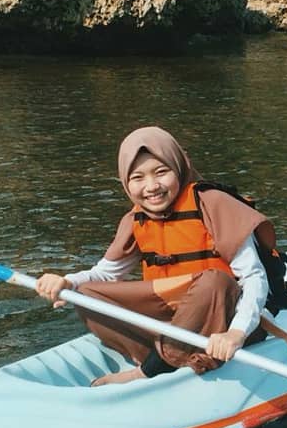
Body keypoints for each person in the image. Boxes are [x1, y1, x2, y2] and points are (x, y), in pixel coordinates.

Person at [35, 126, 272, 386]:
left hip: (223, 321)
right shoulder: (135, 219)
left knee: (215, 281)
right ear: (126, 182)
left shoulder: (212, 204)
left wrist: (236, 333)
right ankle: (167, 356)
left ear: (179, 167)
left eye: (161, 172)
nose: (151, 187)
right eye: (138, 177)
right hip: (175, 323)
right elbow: (106, 273)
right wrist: (67, 282)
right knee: (86, 292)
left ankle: (151, 370)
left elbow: (254, 277)